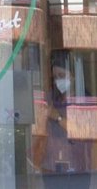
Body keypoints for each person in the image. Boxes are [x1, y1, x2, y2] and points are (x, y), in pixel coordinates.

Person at [32, 56, 97, 189]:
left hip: (79, 168)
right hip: (51, 167)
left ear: (73, 76)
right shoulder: (50, 98)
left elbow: (85, 131)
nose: (58, 81)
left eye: (62, 75)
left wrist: (58, 118)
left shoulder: (86, 100)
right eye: (55, 77)